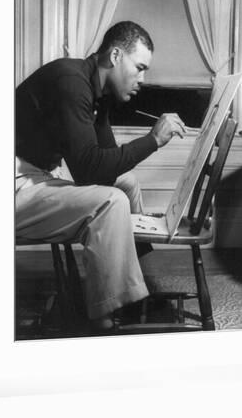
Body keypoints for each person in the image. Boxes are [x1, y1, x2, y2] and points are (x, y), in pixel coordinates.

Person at [15, 21, 186, 330]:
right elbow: (89, 169)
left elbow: (107, 166)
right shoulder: (71, 82)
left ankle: (129, 289)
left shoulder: (96, 91)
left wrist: (140, 143)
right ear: (116, 56)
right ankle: (103, 320)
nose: (142, 79)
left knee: (127, 183)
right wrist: (153, 141)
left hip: (34, 175)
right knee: (110, 201)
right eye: (139, 67)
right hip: (5, 184)